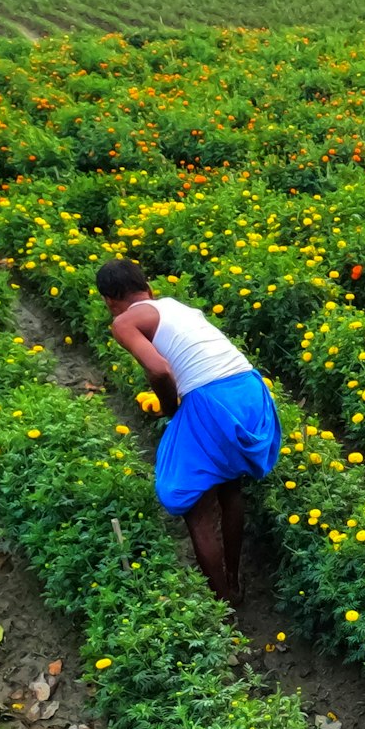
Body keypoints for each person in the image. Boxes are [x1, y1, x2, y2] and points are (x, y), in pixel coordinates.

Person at [97, 258, 281, 604]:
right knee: (228, 486)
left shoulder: (123, 322)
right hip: (248, 390)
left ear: (109, 300)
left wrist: (172, 411)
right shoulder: (174, 306)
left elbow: (159, 370)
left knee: (195, 507)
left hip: (212, 399)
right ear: (147, 288)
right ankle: (234, 582)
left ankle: (222, 599)